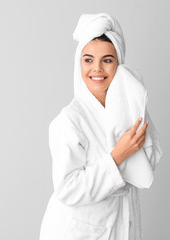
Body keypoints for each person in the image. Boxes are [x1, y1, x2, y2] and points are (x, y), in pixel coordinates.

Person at [39, 13, 162, 240]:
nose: (97, 69)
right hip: (76, 231)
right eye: (88, 60)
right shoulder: (69, 120)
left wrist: (136, 102)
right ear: (79, 63)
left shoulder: (132, 109)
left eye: (107, 60)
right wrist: (117, 155)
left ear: (118, 63)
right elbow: (67, 189)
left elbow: (150, 161)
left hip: (120, 223)